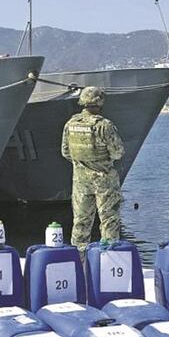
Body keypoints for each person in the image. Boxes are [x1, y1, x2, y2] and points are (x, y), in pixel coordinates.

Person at [61, 86, 126, 251]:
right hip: (104, 180)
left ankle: (78, 260)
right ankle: (109, 259)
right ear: (100, 102)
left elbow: (65, 152)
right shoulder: (104, 126)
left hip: (80, 181)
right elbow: (118, 153)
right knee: (109, 220)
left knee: (81, 222)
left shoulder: (71, 124)